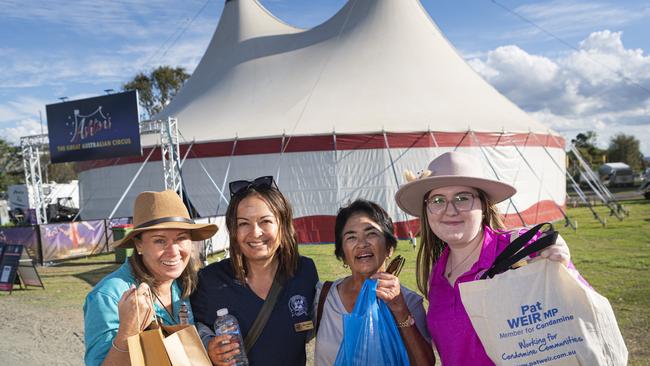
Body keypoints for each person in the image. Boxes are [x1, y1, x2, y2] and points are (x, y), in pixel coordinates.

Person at [395, 151, 578, 365]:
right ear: (427, 211)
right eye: (437, 200)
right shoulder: (437, 274)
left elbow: (576, 313)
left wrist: (565, 268)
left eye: (462, 198)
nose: (450, 210)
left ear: (484, 206)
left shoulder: (519, 250)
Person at [191, 176, 319, 366]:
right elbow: (190, 334)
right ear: (233, 231)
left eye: (265, 221)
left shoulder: (304, 271)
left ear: (283, 226)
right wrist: (208, 346)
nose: (255, 232)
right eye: (243, 223)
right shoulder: (210, 279)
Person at [84, 190, 218, 366]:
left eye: (181, 238)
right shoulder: (109, 295)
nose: (173, 251)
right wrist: (128, 331)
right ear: (139, 244)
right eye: (160, 241)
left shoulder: (185, 283)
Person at [314, 199, 435, 366]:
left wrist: (400, 310)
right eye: (351, 237)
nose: (362, 244)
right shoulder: (323, 297)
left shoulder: (409, 302)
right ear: (342, 253)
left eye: (371, 234)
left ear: (389, 247)